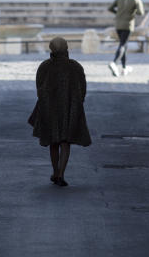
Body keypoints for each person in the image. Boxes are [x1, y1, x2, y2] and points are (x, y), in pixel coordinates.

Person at [28, 36, 91, 187]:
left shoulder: (44, 67)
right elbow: (83, 88)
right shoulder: (75, 67)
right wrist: (77, 103)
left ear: (51, 49)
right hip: (70, 108)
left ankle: (55, 171)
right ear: (66, 48)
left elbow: (39, 89)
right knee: (65, 142)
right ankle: (61, 173)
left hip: (50, 109)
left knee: (53, 142)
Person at [107, 0, 144, 77]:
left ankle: (123, 67)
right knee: (123, 45)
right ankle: (114, 62)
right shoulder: (136, 0)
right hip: (128, 25)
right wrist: (132, 12)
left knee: (123, 45)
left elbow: (110, 8)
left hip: (118, 24)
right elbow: (141, 13)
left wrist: (119, 14)